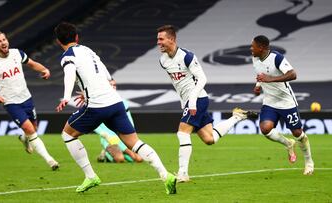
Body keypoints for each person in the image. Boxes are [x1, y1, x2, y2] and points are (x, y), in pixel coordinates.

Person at [54, 22, 176, 194]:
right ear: (76, 37)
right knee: (135, 143)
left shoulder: (68, 56)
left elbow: (69, 74)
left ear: (59, 42)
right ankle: (165, 174)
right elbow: (102, 69)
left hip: (96, 106)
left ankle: (90, 176)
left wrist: (67, 97)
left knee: (68, 134)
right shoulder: (88, 50)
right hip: (115, 102)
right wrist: (107, 83)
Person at [156, 25, 258, 182]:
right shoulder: (163, 60)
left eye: (161, 39)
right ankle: (237, 117)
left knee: (182, 133)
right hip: (188, 102)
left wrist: (192, 100)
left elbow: (202, 78)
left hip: (198, 100)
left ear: (172, 39)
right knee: (209, 139)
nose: (158, 42)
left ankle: (183, 174)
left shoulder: (187, 56)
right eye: (158, 39)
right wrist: (186, 102)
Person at [0, 31, 59, 170]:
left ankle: (24, 139)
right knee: (29, 128)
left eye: (4, 39)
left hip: (26, 98)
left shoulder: (17, 53)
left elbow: (32, 63)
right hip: (10, 102)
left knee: (33, 128)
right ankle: (50, 160)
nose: (3, 42)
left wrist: (44, 69)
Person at [250, 35, 314, 175]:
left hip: (286, 102)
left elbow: (293, 74)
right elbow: (261, 73)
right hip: (270, 102)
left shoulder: (277, 58)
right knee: (265, 128)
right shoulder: (255, 58)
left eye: (253, 46)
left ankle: (309, 162)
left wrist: (270, 79)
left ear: (261, 48)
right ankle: (288, 143)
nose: (251, 49)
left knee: (298, 133)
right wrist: (258, 85)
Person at [74, 80, 143, 163]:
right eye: (110, 85)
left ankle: (105, 154)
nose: (113, 87)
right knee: (120, 159)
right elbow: (98, 128)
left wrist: (131, 134)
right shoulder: (96, 103)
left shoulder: (122, 103)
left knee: (139, 159)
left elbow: (129, 121)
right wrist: (108, 137)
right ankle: (107, 155)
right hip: (109, 140)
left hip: (123, 137)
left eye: (114, 85)